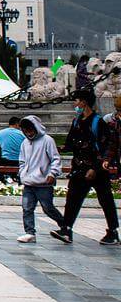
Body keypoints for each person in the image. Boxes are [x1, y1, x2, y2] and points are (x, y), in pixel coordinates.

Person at [50, 88, 119, 246]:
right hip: (79, 168)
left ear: (84, 102)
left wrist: (95, 168)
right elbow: (70, 143)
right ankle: (66, 230)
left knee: (105, 200)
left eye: (77, 100)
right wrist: (57, 148)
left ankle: (113, 232)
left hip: (96, 169)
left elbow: (105, 146)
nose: (75, 103)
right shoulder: (77, 120)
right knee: (72, 199)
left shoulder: (97, 122)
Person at [16, 115, 66, 243]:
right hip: (29, 182)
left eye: (30, 130)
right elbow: (22, 161)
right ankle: (29, 232)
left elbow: (55, 158)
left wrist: (52, 173)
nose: (28, 133)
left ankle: (64, 225)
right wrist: (22, 174)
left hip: (43, 182)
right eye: (25, 131)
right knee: (27, 208)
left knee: (47, 207)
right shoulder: (25, 143)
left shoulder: (47, 140)